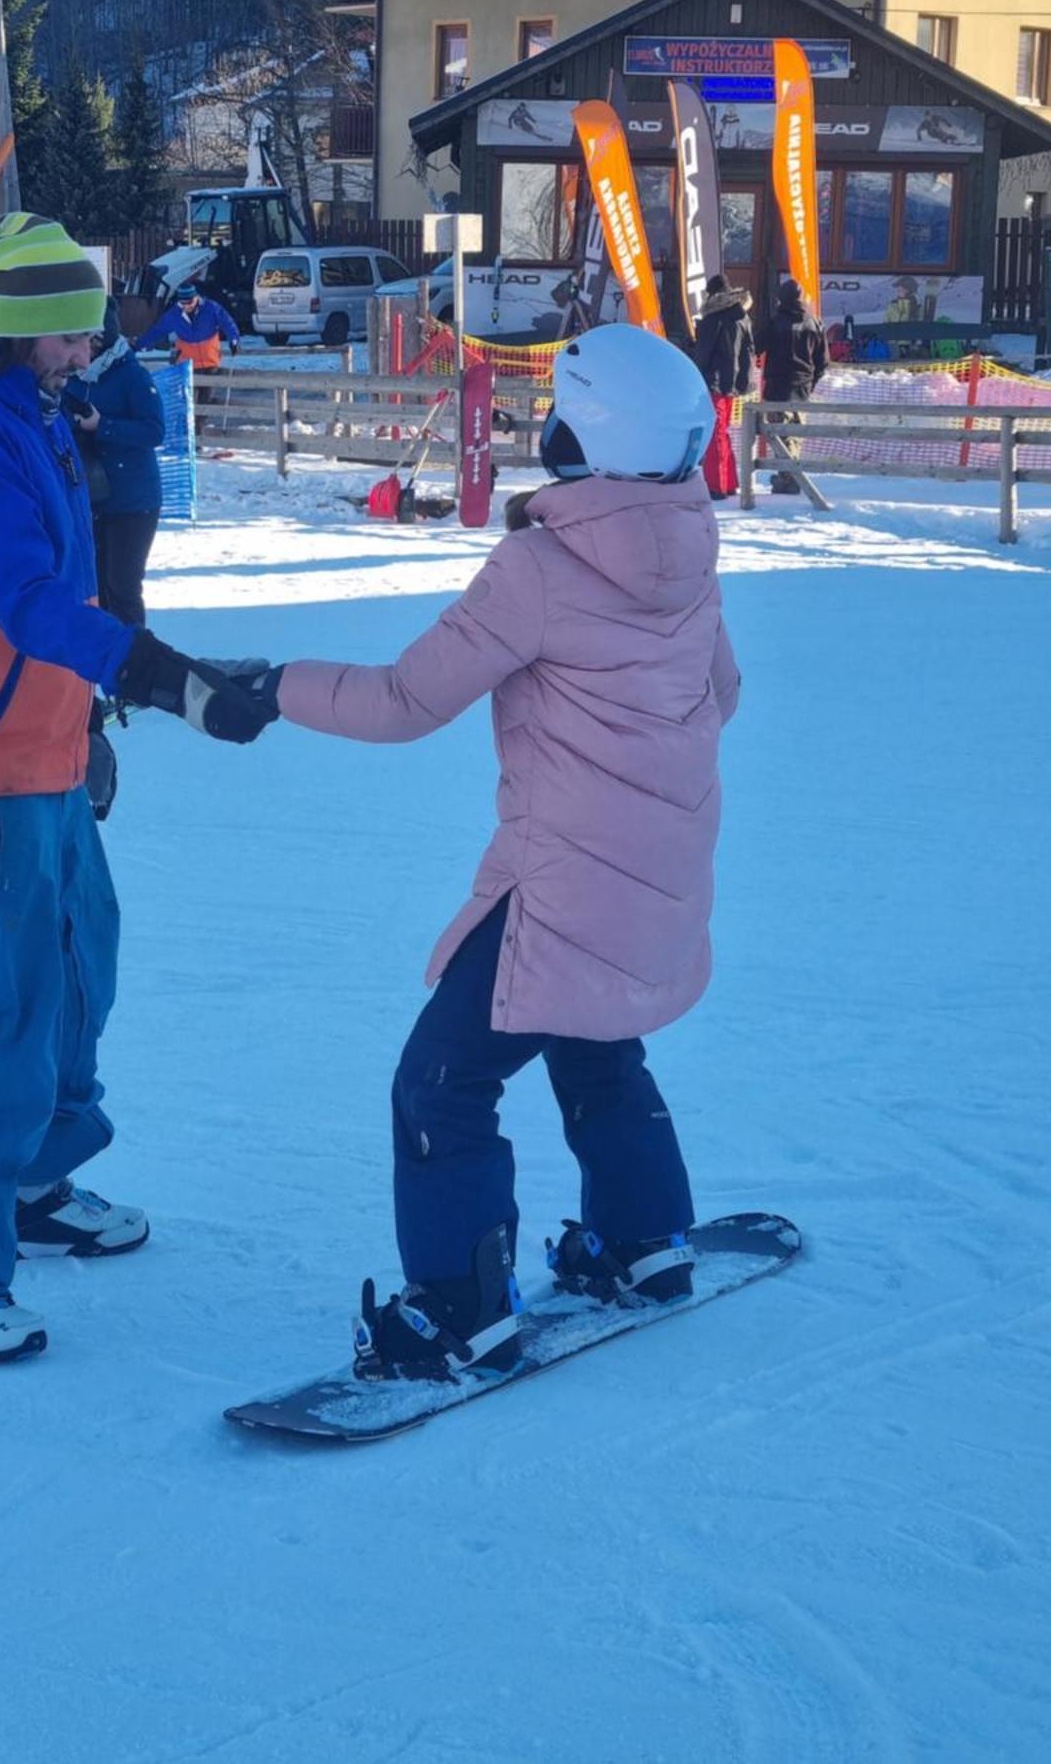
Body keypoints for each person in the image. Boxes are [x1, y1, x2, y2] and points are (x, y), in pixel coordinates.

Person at [242, 326, 739, 1381]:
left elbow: (402, 701)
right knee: (593, 1032)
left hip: (566, 871)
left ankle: (461, 1303)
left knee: (441, 1083)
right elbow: (721, 693)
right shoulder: (691, 544)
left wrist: (275, 682)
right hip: (666, 860)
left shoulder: (543, 563)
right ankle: (644, 1236)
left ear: (580, 430)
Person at [0, 218, 275, 1364]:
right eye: (68, 331)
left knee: (82, 960)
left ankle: (31, 1176)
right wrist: (154, 673)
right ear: (13, 323)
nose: (83, 352)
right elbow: (19, 592)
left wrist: (92, 710)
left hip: (41, 741)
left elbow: (62, 587)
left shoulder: (25, 401)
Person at [61, 298, 165, 626]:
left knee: (122, 585)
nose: (86, 347)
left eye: (93, 338)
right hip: (91, 497)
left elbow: (154, 430)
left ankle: (135, 659)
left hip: (134, 498)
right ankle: (106, 655)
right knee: (96, 586)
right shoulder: (73, 375)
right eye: (82, 338)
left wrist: (102, 426)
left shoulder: (131, 375)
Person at [758, 275, 827, 497]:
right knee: (795, 434)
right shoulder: (815, 322)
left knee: (779, 435)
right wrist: (811, 382)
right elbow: (823, 361)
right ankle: (790, 476)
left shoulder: (776, 321)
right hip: (803, 387)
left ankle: (789, 478)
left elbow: (757, 345)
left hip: (778, 386)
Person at [690, 274, 754, 501]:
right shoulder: (743, 317)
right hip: (733, 384)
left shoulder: (713, 319)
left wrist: (696, 375)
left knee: (714, 434)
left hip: (714, 382)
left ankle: (716, 485)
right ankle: (729, 483)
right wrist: (743, 382)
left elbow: (703, 354)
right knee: (723, 433)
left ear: (712, 294)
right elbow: (749, 352)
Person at [136, 281, 239, 372]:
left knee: (206, 393)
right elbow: (157, 331)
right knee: (190, 393)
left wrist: (234, 341)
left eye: (189, 302)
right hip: (187, 365)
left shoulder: (211, 308)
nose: (186, 306)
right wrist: (139, 345)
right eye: (183, 303)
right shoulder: (174, 315)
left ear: (196, 297)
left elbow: (227, 323)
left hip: (210, 362)